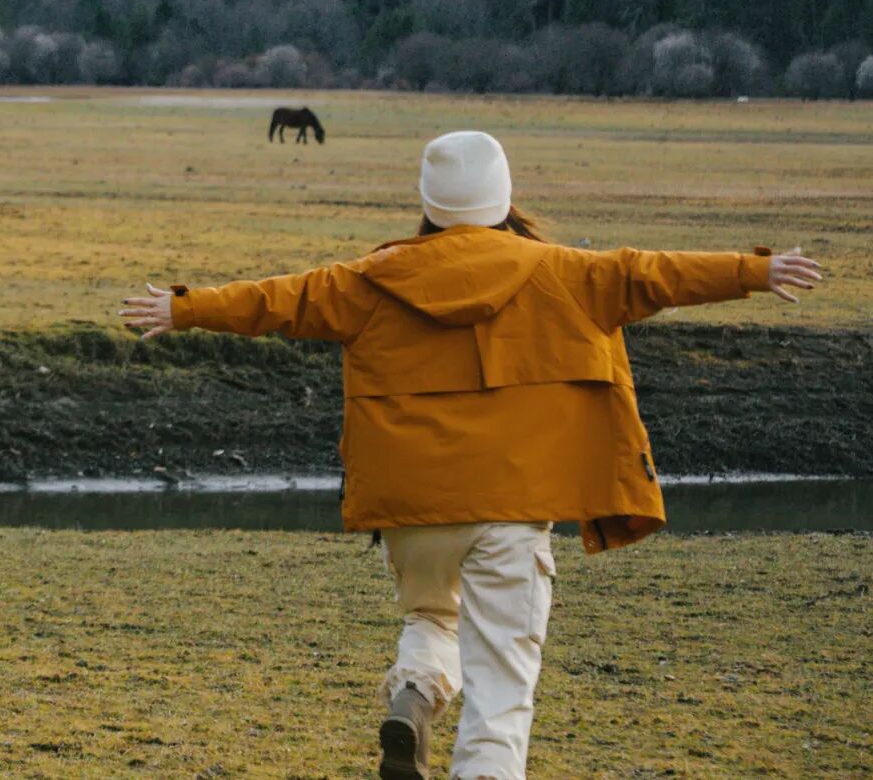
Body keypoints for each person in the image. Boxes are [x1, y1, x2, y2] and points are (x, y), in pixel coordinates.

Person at [121, 129, 822, 780]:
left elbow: (277, 300)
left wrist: (184, 309)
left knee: (433, 618)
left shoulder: (369, 281)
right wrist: (754, 271)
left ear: (427, 205)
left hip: (414, 511)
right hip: (514, 512)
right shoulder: (566, 273)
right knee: (503, 688)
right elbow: (655, 274)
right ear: (506, 199)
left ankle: (417, 695)